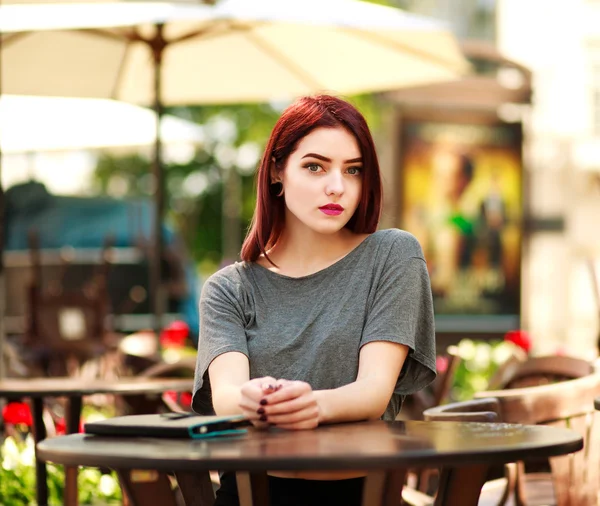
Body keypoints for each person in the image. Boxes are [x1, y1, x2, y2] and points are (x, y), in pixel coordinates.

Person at [192, 94, 436, 506]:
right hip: (251, 493)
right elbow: (227, 399)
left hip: (360, 492)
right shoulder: (228, 289)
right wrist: (259, 398)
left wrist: (311, 405)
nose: (337, 186)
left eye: (353, 170)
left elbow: (374, 392)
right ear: (276, 172)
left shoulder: (393, 256)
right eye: (314, 166)